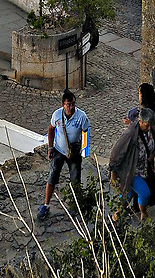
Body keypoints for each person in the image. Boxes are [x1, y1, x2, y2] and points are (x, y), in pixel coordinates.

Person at [108, 83, 155, 220]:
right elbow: (116, 152)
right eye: (146, 125)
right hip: (131, 170)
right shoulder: (130, 134)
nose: (149, 127)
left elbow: (151, 147)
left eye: (150, 125)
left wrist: (151, 159)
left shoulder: (149, 131)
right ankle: (143, 213)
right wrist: (113, 173)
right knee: (145, 193)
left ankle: (116, 216)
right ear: (140, 122)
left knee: (128, 195)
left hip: (143, 168)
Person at [36, 90, 88, 221]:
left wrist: (84, 150)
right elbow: (51, 129)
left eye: (73, 104)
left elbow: (85, 133)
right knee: (52, 177)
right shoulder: (57, 115)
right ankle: (46, 205)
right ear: (63, 105)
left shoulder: (81, 116)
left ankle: (74, 205)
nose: (71, 107)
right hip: (59, 150)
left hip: (74, 152)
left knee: (75, 179)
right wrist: (50, 147)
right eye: (68, 104)